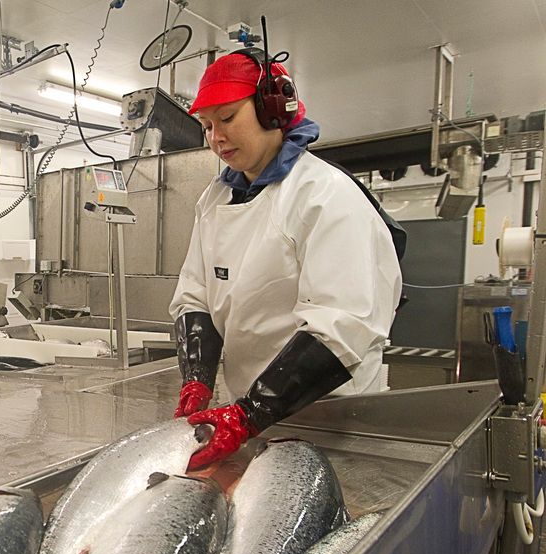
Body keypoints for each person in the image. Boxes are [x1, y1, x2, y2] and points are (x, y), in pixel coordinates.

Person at [171, 48, 402, 469]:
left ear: (272, 109)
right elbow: (195, 297)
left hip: (329, 421)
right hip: (244, 421)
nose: (215, 137)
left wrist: (249, 414)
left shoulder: (325, 195)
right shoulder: (215, 199)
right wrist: (197, 381)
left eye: (227, 118)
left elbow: (341, 326)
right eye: (206, 126)